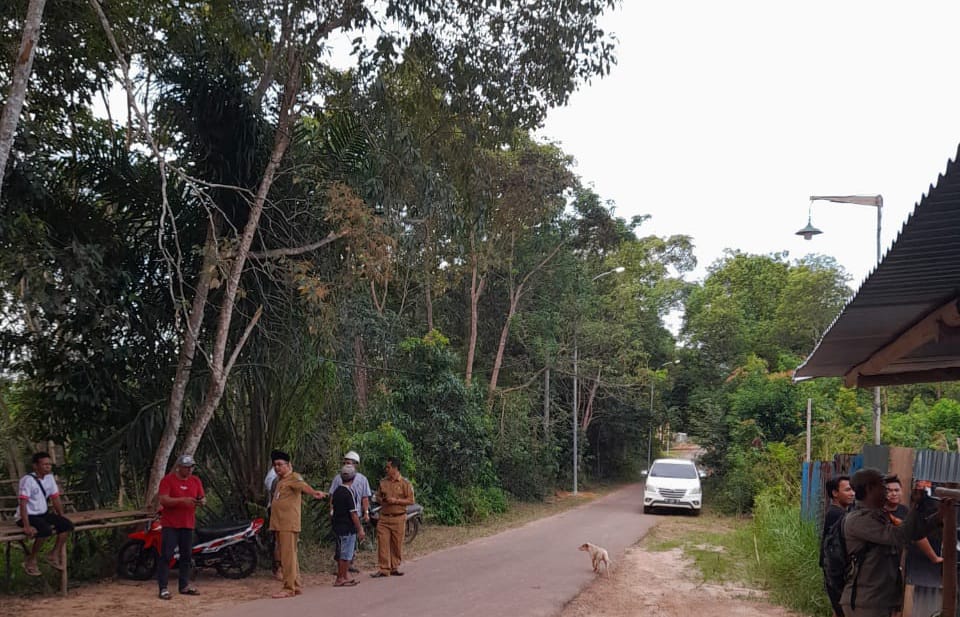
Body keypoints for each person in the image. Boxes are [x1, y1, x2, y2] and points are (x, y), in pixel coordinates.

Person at [841, 467, 950, 617]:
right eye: (883, 487)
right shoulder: (858, 520)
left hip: (881, 599)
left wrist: (938, 516)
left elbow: (914, 533)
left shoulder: (879, 515)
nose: (887, 492)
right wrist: (916, 506)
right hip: (865, 602)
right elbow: (899, 536)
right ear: (869, 488)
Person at [269, 450, 327, 599]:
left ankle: (288, 588)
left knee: (287, 557)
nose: (277, 467)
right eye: (275, 465)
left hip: (288, 524)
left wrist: (314, 493)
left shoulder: (293, 477)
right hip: (279, 524)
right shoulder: (281, 481)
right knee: (289, 556)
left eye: (280, 464)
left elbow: (303, 486)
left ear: (289, 465)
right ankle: (295, 585)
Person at [15, 452, 75, 576]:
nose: (48, 467)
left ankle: (54, 554)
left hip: (42, 513)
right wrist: (26, 525)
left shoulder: (50, 478)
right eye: (45, 464)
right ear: (36, 466)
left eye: (49, 464)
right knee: (45, 530)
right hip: (27, 515)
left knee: (67, 525)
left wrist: (61, 515)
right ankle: (31, 559)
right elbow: (23, 503)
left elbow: (55, 498)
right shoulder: (27, 480)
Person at [157, 454, 205, 600]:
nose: (189, 470)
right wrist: (182, 501)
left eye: (191, 467)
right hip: (170, 524)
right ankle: (163, 587)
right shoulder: (168, 480)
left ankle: (184, 585)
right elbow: (163, 499)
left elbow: (202, 497)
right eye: (186, 467)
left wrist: (202, 501)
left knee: (186, 556)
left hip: (187, 524)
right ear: (179, 467)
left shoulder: (195, 481)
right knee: (167, 555)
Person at [883, 474, 943, 564]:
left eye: (896, 490)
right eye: (889, 491)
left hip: (897, 562)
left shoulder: (905, 510)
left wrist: (934, 558)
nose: (894, 494)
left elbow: (918, 534)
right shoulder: (878, 512)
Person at [371, 457, 414, 578]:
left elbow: (411, 500)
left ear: (395, 468)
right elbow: (377, 497)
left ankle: (395, 566)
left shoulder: (405, 483)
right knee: (383, 543)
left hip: (398, 518)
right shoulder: (383, 482)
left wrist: (396, 501)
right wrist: (381, 500)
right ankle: (384, 568)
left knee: (397, 543)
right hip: (384, 517)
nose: (386, 469)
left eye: (388, 467)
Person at [328, 450, 372, 573]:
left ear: (355, 465)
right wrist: (331, 510)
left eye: (350, 463)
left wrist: (366, 512)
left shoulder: (362, 479)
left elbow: (364, 497)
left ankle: (349, 564)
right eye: (345, 463)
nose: (347, 465)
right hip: (342, 515)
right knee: (341, 541)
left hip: (355, 514)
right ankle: (341, 568)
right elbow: (332, 496)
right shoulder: (338, 478)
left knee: (352, 541)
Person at [821, 475, 854, 617]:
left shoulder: (837, 512)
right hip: (835, 571)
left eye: (853, 489)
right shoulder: (837, 514)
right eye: (847, 490)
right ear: (835, 493)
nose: (852, 493)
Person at [331, 464, 366, 586]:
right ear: (354, 477)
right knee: (346, 554)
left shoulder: (336, 492)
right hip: (347, 527)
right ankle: (340, 578)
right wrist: (360, 529)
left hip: (338, 525)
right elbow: (354, 514)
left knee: (343, 552)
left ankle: (344, 576)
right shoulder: (348, 492)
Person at [264, 449, 283, 580]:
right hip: (277, 510)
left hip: (284, 511)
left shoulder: (281, 476)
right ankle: (278, 568)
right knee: (279, 540)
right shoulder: (273, 478)